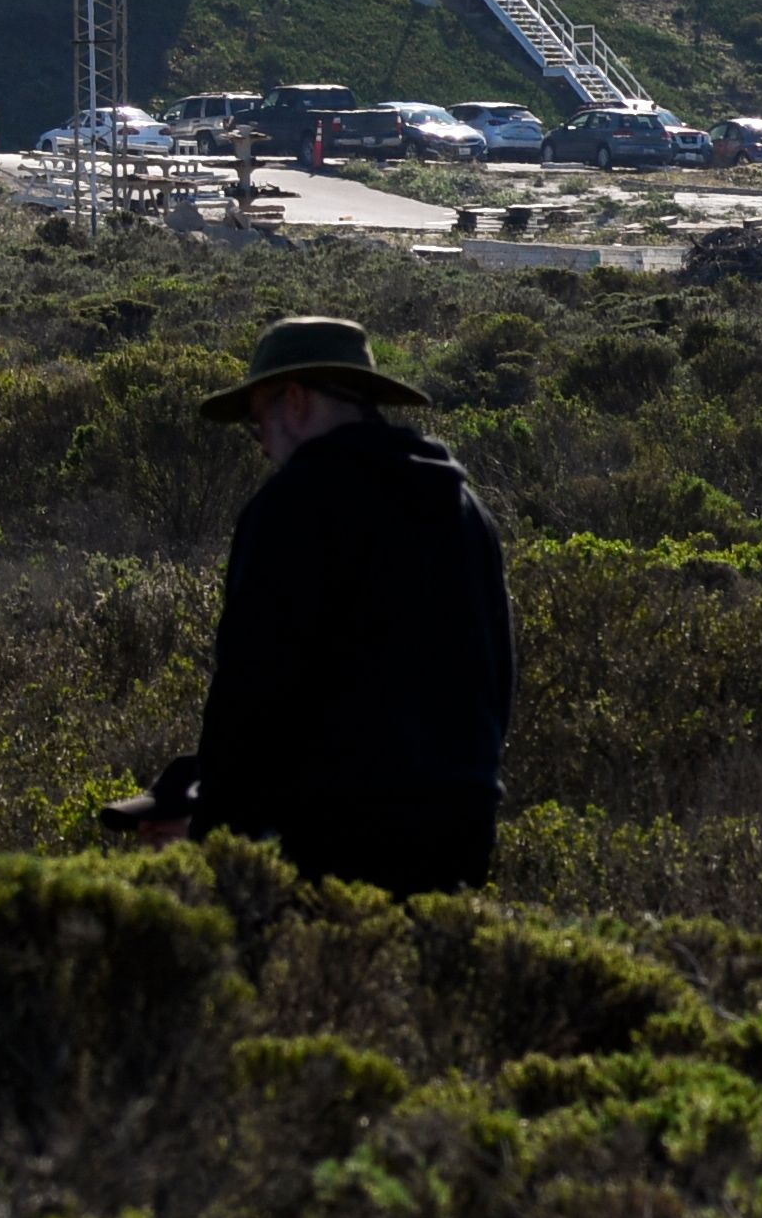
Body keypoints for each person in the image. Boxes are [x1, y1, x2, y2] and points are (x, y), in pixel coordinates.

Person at [112, 314, 516, 895]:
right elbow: (497, 677)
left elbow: (251, 690)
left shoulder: (294, 505)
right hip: (460, 828)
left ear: (295, 402)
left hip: (334, 835)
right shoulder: (463, 507)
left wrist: (220, 845)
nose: (262, 446)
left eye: (257, 425)